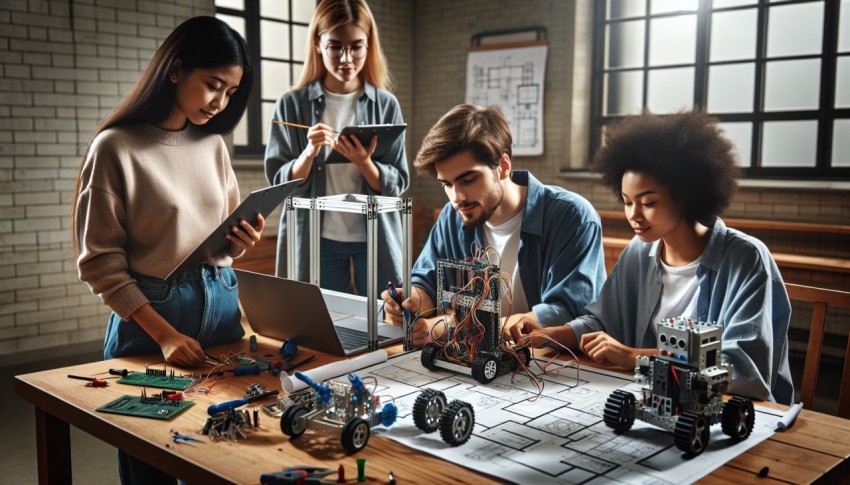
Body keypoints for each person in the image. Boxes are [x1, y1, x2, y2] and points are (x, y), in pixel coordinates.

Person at [72, 16, 257, 484]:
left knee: (222, 449)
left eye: (231, 92)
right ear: (175, 71)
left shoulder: (213, 145)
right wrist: (165, 335)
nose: (220, 102)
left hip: (221, 309)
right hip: (151, 323)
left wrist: (239, 243)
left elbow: (222, 240)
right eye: (213, 84)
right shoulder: (115, 148)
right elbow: (100, 264)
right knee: (149, 463)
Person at [507, 110, 794, 404]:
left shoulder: (747, 258)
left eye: (648, 202)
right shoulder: (640, 250)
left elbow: (743, 369)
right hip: (654, 399)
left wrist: (636, 358)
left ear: (686, 194)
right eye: (627, 202)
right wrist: (550, 335)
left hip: (729, 411)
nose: (634, 215)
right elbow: (604, 323)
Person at [382, 104, 607, 346]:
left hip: (552, 365)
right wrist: (412, 302)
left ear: (504, 167)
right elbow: (426, 282)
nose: (456, 197)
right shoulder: (452, 216)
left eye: (468, 179)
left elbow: (569, 312)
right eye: (446, 184)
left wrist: (446, 328)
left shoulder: (572, 216)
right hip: (473, 360)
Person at [264, 0, 408, 296]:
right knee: (324, 325)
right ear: (317, 43)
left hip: (375, 236)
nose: (346, 58)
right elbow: (278, 183)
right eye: (335, 46)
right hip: (316, 238)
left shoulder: (386, 104)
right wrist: (308, 154)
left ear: (369, 46)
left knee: (387, 323)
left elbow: (399, 182)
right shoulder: (291, 105)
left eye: (356, 46)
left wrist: (364, 163)